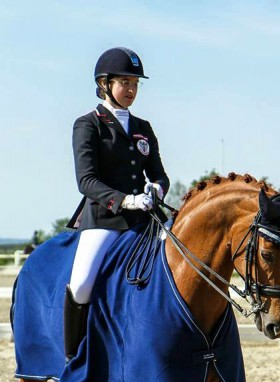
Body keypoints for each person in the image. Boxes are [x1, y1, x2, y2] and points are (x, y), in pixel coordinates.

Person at [64, 46, 170, 361]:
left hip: (147, 219)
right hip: (104, 219)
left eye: (135, 84)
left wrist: (157, 192)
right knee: (81, 283)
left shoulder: (143, 127)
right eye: (125, 83)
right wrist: (125, 200)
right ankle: (74, 359)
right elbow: (87, 181)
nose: (132, 90)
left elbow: (161, 175)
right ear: (104, 84)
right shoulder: (88, 124)